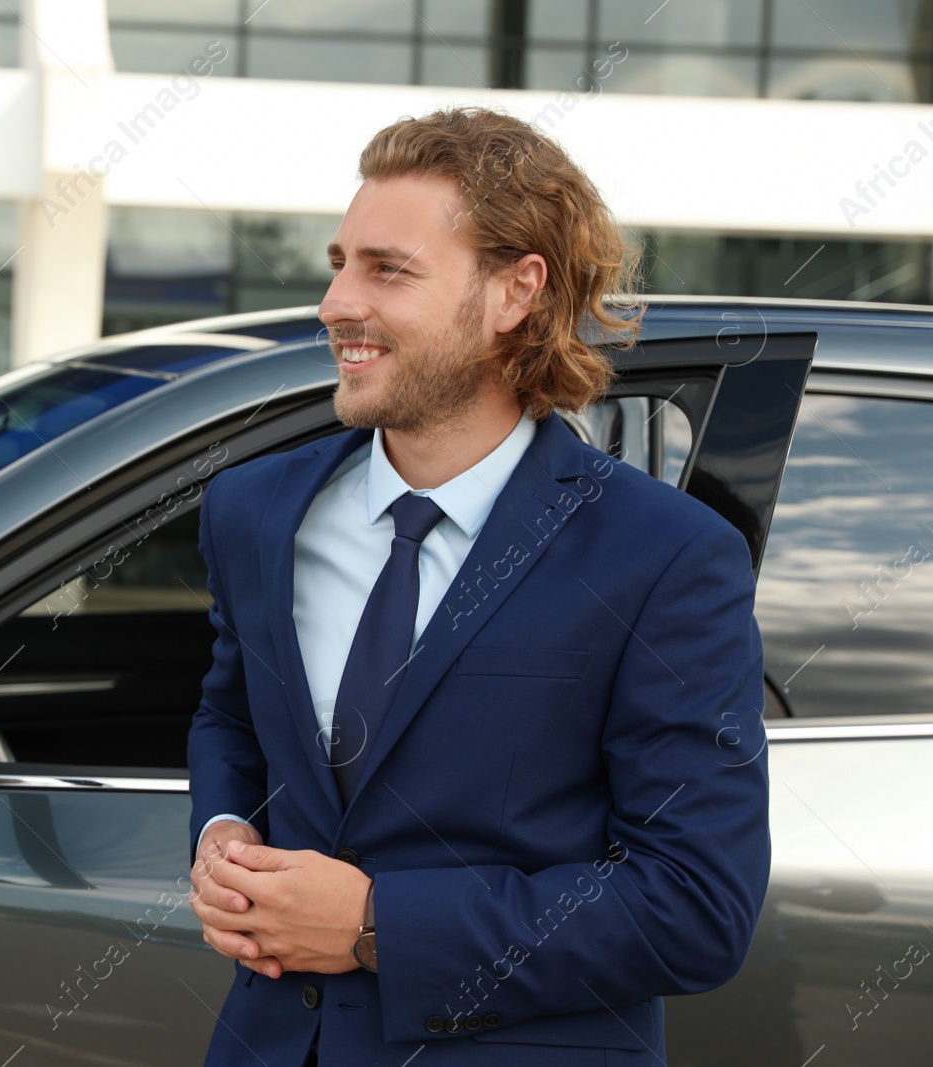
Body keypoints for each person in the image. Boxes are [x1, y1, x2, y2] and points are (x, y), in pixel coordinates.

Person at [185, 107, 770, 1066]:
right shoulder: (253, 511)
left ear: (514, 291)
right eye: (338, 263)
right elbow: (232, 718)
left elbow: (694, 907)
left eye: (387, 269)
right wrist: (220, 833)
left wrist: (376, 923)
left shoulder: (666, 557)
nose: (336, 302)